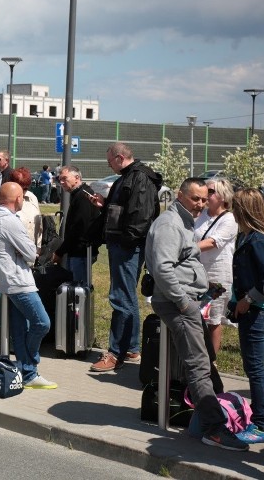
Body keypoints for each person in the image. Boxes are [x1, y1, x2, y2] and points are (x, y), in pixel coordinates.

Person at [146, 177, 249, 452]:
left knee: (206, 360)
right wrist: (184, 303)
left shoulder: (185, 222)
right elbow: (163, 269)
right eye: (195, 199)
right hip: (176, 303)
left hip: (187, 300)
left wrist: (204, 288)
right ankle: (213, 429)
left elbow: (182, 263)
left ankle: (210, 418)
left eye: (204, 199)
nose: (201, 204)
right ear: (180, 195)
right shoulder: (170, 224)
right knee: (199, 365)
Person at [89, 142, 162, 372]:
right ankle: (131, 347)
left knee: (120, 297)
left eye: (110, 161)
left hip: (127, 246)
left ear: (120, 158)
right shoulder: (127, 177)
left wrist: (126, 242)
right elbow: (124, 209)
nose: (109, 165)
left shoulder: (139, 178)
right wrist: (105, 205)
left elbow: (140, 216)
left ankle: (116, 353)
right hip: (122, 244)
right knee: (126, 296)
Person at [0, 182, 57, 389]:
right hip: (18, 281)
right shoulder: (10, 221)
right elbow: (30, 253)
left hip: (1, 281)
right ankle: (30, 365)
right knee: (42, 323)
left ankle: (26, 372)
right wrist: (26, 251)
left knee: (20, 328)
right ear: (18, 199)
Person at [230, 188, 264, 445]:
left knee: (256, 368)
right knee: (251, 365)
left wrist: (248, 300)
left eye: (235, 206)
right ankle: (258, 421)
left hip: (258, 311)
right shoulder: (244, 237)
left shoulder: (259, 241)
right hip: (247, 309)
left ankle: (261, 425)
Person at [193, 178, 237, 355]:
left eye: (211, 191)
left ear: (223, 196)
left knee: (213, 320)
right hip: (197, 272)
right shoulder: (200, 215)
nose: (206, 194)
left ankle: (212, 361)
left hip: (217, 275)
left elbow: (213, 242)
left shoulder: (230, 219)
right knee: (196, 317)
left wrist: (183, 248)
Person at [53, 166, 100, 282]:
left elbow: (78, 228)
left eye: (65, 178)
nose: (62, 182)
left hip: (81, 252)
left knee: (79, 291)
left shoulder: (83, 196)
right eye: (60, 179)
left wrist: (59, 252)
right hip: (76, 251)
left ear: (77, 178)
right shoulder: (78, 194)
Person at [10, 167, 42, 251]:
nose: (22, 191)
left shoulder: (32, 197)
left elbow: (39, 226)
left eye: (25, 188)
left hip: (31, 254)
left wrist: (38, 248)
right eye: (19, 187)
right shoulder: (1, 199)